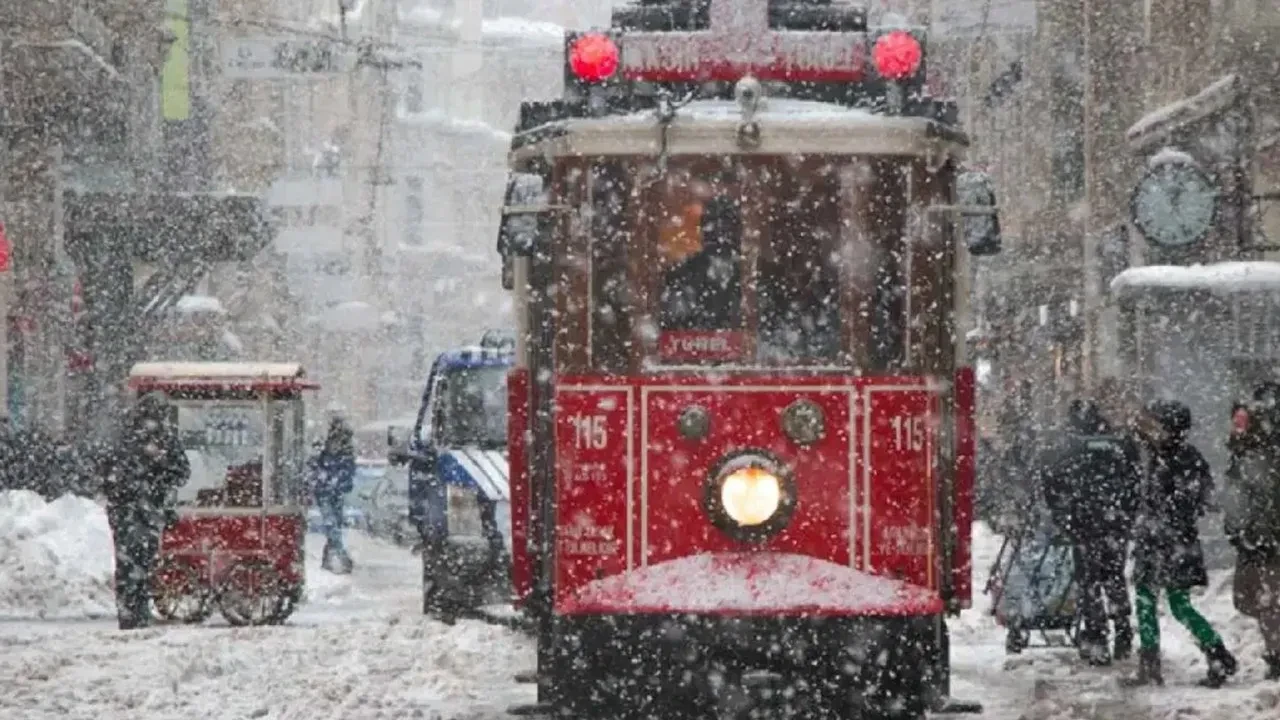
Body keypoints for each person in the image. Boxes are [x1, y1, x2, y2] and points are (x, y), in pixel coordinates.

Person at [1125, 399, 1238, 687]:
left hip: (1170, 543)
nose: (1151, 431)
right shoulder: (1164, 455)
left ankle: (1214, 654)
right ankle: (1211, 655)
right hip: (1167, 542)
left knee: (1167, 603)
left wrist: (1158, 519)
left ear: (1170, 429)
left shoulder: (1183, 459)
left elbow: (1193, 501)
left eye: (1157, 425)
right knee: (1154, 601)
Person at [1040, 398, 1141, 665]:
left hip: (1084, 524)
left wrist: (1062, 515)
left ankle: (1096, 638)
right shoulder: (1118, 444)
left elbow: (1051, 480)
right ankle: (1123, 630)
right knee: (1114, 578)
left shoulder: (1070, 447)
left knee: (1089, 582)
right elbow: (1134, 480)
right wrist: (1126, 515)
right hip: (1115, 524)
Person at [102, 392, 190, 630]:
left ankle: (130, 612)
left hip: (129, 512)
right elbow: (181, 472)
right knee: (140, 561)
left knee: (128, 563)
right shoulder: (161, 439)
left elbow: (106, 472)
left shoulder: (125, 439)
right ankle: (135, 611)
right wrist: (158, 476)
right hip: (144, 510)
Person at [1223, 385, 1280, 681]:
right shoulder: (1244, 455)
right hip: (1250, 539)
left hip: (1266, 540)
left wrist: (1258, 531)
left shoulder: (1263, 458)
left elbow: (1259, 500)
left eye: (1241, 422)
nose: (1236, 427)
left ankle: (1276, 658)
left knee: (1268, 601)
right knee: (1246, 599)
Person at [659, 195, 743, 331]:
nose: (719, 232)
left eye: (726, 225)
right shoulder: (681, 277)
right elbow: (673, 328)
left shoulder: (753, 277)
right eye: (712, 224)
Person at [313, 411, 356, 574]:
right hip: (329, 490)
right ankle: (341, 556)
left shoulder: (337, 449)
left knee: (333, 525)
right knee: (333, 524)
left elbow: (346, 470)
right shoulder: (338, 449)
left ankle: (329, 558)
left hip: (330, 490)